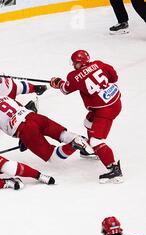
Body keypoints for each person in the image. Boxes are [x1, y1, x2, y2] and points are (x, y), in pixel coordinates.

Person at [50, 50, 123, 183]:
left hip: (104, 111)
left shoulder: (74, 76)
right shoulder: (99, 64)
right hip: (114, 101)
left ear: (79, 63)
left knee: (96, 141)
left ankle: (114, 169)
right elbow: (114, 78)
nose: (73, 65)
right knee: (88, 122)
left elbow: (65, 89)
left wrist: (58, 82)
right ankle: (93, 151)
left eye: (74, 63)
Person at [0, 87, 93, 163]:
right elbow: (20, 110)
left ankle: (73, 145)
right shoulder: (5, 98)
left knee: (53, 157)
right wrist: (23, 139)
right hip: (36, 117)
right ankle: (90, 147)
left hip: (26, 130)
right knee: (62, 134)